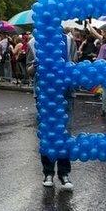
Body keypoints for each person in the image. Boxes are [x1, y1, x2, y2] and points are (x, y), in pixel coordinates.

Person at [28, 34, 74, 190]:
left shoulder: (68, 40)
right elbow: (29, 70)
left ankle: (64, 173)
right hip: (44, 95)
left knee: (64, 133)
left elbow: (73, 64)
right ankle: (48, 172)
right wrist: (35, 66)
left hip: (64, 94)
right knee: (48, 133)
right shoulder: (33, 42)